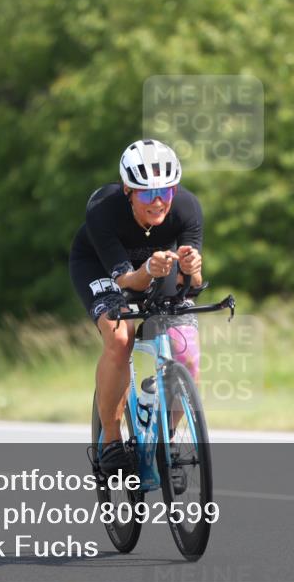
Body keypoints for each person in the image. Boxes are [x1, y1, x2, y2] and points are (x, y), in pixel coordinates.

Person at [69, 139, 203, 476]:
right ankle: (111, 444)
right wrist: (147, 272)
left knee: (187, 351)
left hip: (158, 264)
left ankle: (167, 444)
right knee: (120, 338)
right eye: (146, 194)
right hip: (102, 268)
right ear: (128, 190)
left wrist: (192, 269)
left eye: (166, 192)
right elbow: (127, 282)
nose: (158, 202)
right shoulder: (102, 208)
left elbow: (195, 284)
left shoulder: (187, 206)